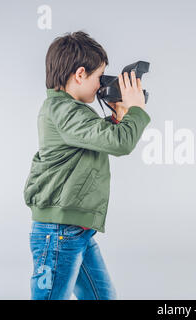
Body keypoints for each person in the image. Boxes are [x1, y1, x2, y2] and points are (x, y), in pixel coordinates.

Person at [23, 31, 151, 300]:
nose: (100, 85)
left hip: (74, 231)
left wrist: (119, 116)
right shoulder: (62, 111)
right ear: (80, 74)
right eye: (98, 77)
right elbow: (119, 143)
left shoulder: (72, 111)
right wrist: (136, 110)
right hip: (58, 233)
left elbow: (98, 138)